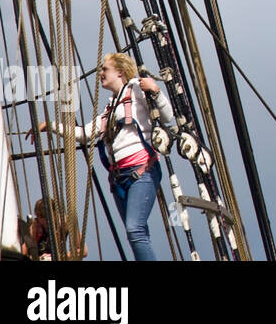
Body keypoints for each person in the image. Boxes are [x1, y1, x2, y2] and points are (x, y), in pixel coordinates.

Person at [35, 52, 174, 261]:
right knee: (137, 233)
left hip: (141, 171)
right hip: (119, 180)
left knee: (134, 230)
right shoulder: (109, 109)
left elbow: (167, 116)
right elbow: (83, 134)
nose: (100, 73)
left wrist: (156, 91)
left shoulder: (137, 90)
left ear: (120, 72)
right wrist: (51, 126)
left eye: (104, 69)